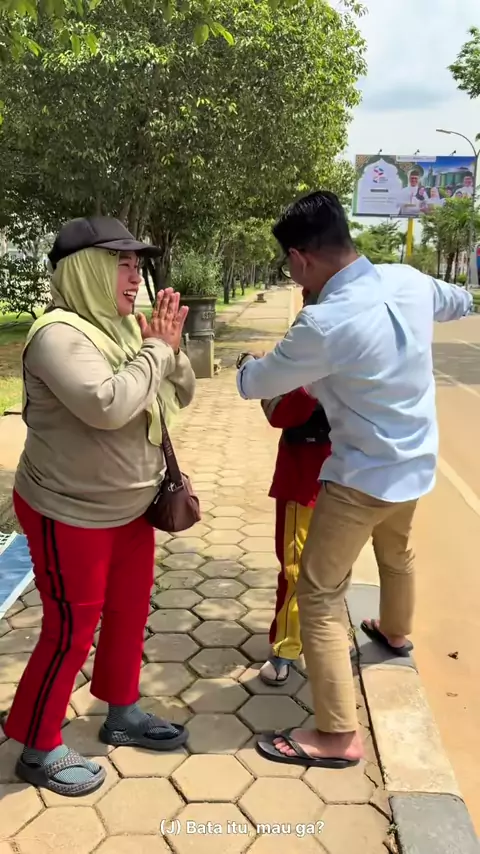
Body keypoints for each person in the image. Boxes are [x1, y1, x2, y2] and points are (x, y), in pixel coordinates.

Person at [236, 191, 472, 770]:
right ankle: (395, 632)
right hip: (415, 464)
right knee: (397, 553)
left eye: (289, 266)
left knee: (318, 595)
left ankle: (337, 734)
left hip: (361, 478)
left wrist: (247, 364)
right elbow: (460, 300)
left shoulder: (322, 322)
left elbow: (257, 385)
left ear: (300, 258)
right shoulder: (408, 280)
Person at [4, 216, 196, 797]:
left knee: (130, 613)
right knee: (70, 629)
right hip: (70, 511)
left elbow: (181, 390)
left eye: (138, 265)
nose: (135, 277)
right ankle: (37, 745)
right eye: (122, 264)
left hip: (131, 506)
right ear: (86, 270)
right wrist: (157, 351)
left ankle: (122, 711)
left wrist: (167, 351)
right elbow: (108, 405)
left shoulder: (123, 327)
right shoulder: (57, 336)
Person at [255, 289, 333, 686]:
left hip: (337, 479)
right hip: (310, 478)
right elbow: (279, 410)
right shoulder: (297, 351)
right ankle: (291, 645)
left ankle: (311, 641)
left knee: (322, 569)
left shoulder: (359, 348)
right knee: (300, 566)